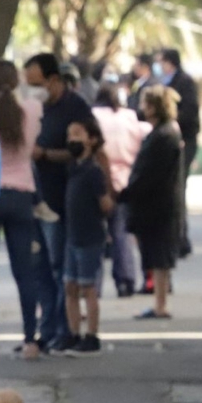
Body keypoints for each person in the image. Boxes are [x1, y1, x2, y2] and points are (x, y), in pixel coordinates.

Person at [0, 60, 42, 360]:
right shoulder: (32, 110)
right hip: (21, 197)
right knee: (24, 271)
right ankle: (30, 340)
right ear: (16, 82)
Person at [23, 53, 92, 355]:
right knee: (39, 269)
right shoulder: (35, 108)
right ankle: (47, 329)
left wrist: (46, 154)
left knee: (60, 268)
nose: (32, 90)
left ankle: (66, 329)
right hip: (35, 198)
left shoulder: (75, 107)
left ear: (53, 80)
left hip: (62, 200)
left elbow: (84, 148)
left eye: (36, 84)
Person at [118, 85, 184, 321]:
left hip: (157, 205)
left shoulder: (162, 136)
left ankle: (160, 304)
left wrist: (127, 193)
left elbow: (148, 173)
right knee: (158, 256)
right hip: (161, 203)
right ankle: (159, 302)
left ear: (155, 107)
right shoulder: (166, 133)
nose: (142, 108)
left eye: (146, 104)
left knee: (158, 255)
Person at [62, 118, 114, 357]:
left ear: (91, 140)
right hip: (73, 236)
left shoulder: (93, 171)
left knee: (88, 287)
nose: (72, 139)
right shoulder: (73, 168)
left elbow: (105, 204)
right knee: (70, 286)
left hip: (90, 236)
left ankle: (91, 336)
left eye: (77, 134)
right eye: (69, 135)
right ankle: (74, 333)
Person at [92, 85, 149, 298]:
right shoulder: (130, 117)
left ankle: (93, 284)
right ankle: (126, 280)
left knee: (95, 235)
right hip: (125, 179)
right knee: (121, 233)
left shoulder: (93, 115)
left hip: (98, 180)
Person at [155, 48, 199, 258]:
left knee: (178, 188)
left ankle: (180, 239)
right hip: (172, 139)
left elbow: (189, 112)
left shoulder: (184, 82)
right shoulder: (166, 81)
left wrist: (169, 117)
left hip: (184, 140)